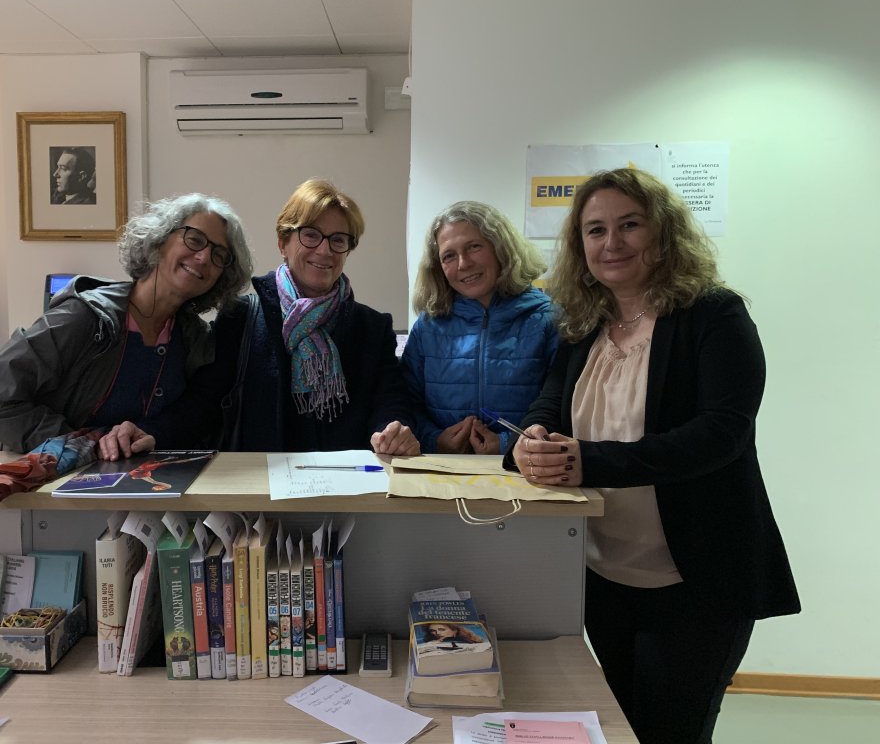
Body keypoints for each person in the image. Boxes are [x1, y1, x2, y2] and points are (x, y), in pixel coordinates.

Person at [506, 168, 799, 744]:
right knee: (622, 729)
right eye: (595, 230)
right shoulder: (582, 326)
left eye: (628, 224)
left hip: (697, 579)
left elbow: (721, 434)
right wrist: (531, 437)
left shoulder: (714, 316)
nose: (611, 243)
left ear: (662, 234)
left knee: (670, 732)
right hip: (602, 572)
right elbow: (549, 403)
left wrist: (590, 462)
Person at [0, 192, 254, 456]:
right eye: (195, 239)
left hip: (140, 492)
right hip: (55, 492)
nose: (203, 257)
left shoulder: (195, 338)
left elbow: (191, 417)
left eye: (219, 255)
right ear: (160, 239)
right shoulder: (83, 317)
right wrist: (77, 444)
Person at [191, 177, 420, 455]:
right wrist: (154, 432)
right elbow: (203, 401)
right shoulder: (240, 318)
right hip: (260, 485)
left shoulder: (373, 327)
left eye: (338, 240)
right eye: (310, 235)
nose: (324, 250)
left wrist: (392, 429)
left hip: (347, 486)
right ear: (282, 243)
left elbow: (390, 399)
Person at [402, 201, 558, 454]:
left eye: (474, 247)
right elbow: (406, 403)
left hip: (527, 474)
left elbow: (566, 411)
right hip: (441, 473)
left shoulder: (549, 320)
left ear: (501, 249)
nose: (463, 264)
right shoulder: (428, 327)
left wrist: (508, 445)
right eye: (448, 256)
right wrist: (435, 439)